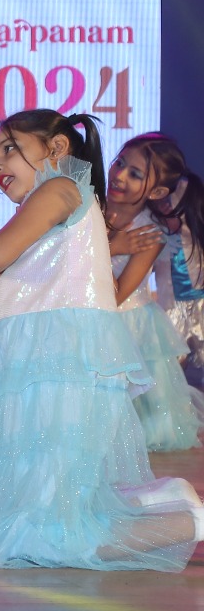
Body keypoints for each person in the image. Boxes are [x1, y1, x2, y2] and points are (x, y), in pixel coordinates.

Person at [0, 110, 202, 571]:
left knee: (45, 540)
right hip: (37, 379)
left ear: (57, 148)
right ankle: (158, 502)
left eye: (8, 149)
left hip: (65, 375)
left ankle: (188, 522)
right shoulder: (40, 221)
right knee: (28, 523)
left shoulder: (60, 189)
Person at [104, 134, 203, 450]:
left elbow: (115, 296)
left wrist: (106, 247)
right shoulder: (87, 208)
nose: (119, 175)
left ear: (158, 191)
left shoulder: (149, 232)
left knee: (136, 424)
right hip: (82, 314)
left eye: (135, 174)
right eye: (119, 163)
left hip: (128, 326)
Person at [146, 138, 204, 375]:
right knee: (172, 364)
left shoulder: (187, 187)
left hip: (200, 299)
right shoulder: (150, 213)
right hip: (170, 303)